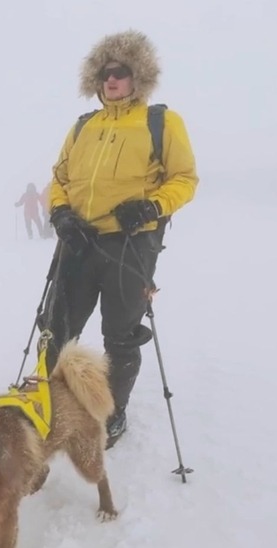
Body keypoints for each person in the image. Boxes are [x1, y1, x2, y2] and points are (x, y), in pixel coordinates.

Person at [42, 30, 198, 449]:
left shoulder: (160, 122)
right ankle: (50, 399)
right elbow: (59, 178)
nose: (111, 79)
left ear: (138, 76)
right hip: (79, 241)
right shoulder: (84, 126)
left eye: (121, 72)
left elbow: (185, 179)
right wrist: (61, 213)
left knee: (120, 334)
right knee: (57, 326)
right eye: (105, 73)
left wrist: (152, 206)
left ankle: (111, 411)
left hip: (130, 245)